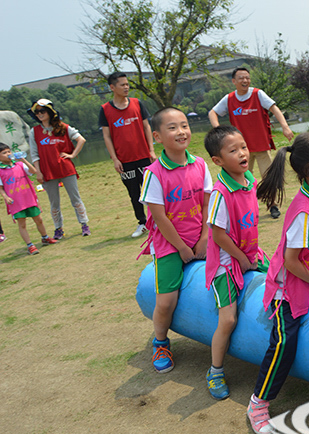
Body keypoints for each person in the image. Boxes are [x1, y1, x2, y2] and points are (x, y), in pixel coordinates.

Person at [247, 132, 309, 434]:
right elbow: (290, 260)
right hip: (290, 286)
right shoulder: (304, 210)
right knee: (284, 342)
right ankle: (258, 403)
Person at [138, 107, 212, 373]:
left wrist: (204, 238)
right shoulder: (154, 173)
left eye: (184, 125)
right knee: (167, 300)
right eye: (172, 128)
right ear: (157, 136)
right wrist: (181, 247)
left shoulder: (201, 164)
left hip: (201, 238)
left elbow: (207, 205)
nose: (181, 132)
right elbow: (159, 217)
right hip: (171, 245)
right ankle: (160, 341)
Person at [203, 125, 269, 400]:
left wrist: (251, 255)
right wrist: (241, 258)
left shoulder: (249, 180)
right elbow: (218, 235)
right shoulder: (220, 193)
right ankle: (215, 370)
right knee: (228, 319)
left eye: (243, 147)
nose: (242, 153)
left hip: (250, 254)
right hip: (227, 263)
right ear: (217, 161)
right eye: (233, 151)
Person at [208, 67, 294, 219]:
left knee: (268, 176)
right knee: (242, 178)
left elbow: (274, 108)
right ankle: (246, 208)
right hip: (240, 149)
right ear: (234, 81)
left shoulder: (257, 94)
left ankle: (272, 205)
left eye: (247, 77)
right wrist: (218, 132)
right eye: (241, 78)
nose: (245, 80)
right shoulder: (229, 99)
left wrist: (285, 127)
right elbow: (212, 112)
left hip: (260, 144)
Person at [99, 72, 157, 238]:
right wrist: (115, 159)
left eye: (127, 84)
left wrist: (151, 150)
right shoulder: (105, 110)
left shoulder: (137, 104)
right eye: (122, 84)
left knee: (152, 191)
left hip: (144, 156)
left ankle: (158, 222)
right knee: (134, 194)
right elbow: (107, 136)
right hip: (124, 161)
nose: (126, 87)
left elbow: (147, 127)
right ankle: (142, 223)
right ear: (112, 87)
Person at [29, 99, 90, 239]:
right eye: (37, 112)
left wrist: (72, 155)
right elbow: (34, 154)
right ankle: (58, 229)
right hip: (47, 171)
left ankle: (84, 225)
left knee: (75, 199)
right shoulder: (35, 132)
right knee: (54, 203)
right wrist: (38, 171)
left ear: (50, 112)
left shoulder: (63, 127)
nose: (39, 114)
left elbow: (81, 139)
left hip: (66, 168)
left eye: (42, 111)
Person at [0, 143, 58, 254]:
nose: (8, 154)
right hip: (15, 201)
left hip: (28, 197)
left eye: (8, 151)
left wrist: (23, 160)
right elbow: (1, 188)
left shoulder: (20, 165)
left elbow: (33, 171)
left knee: (38, 219)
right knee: (22, 224)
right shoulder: (0, 171)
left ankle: (45, 237)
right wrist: (5, 197)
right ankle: (30, 245)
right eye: (4, 153)